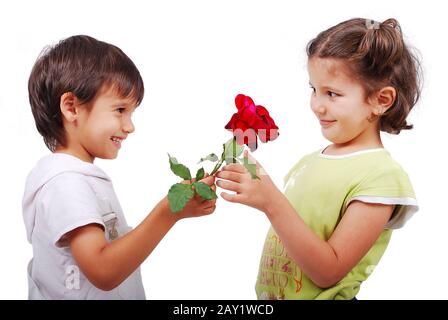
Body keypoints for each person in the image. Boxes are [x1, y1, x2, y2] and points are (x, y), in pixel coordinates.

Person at [216, 18, 421, 300]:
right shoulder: (311, 161)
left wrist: (271, 201)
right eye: (314, 89)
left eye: (332, 94)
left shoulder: (381, 177)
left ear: (381, 100)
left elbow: (328, 271)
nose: (317, 105)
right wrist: (256, 184)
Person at [22, 35, 216, 299]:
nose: (129, 126)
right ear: (71, 107)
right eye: (120, 110)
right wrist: (168, 212)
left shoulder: (76, 177)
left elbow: (113, 251)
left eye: (131, 113)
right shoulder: (65, 183)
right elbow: (103, 270)